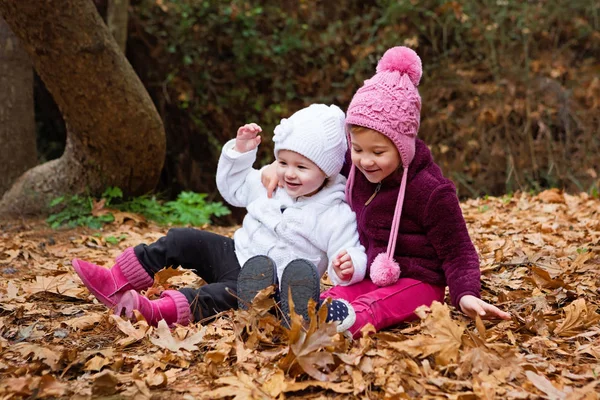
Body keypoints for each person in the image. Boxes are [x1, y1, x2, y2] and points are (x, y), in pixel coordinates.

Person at [262, 46, 511, 339]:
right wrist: (275, 167)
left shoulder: (431, 191)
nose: (365, 160)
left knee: (374, 305)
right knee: (339, 292)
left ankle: (338, 328)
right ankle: (302, 313)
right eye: (357, 149)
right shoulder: (354, 168)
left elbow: (459, 251)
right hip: (372, 272)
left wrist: (465, 293)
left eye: (378, 152)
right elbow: (315, 163)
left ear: (402, 146)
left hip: (420, 282)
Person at [70, 104, 365, 331]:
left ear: (326, 170)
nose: (289, 172)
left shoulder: (335, 213)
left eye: (301, 167)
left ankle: (158, 311)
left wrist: (348, 266)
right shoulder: (272, 181)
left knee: (217, 296)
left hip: (266, 287)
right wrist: (240, 153)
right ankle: (117, 280)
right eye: (283, 161)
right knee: (183, 240)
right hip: (234, 254)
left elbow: (347, 251)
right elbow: (233, 189)